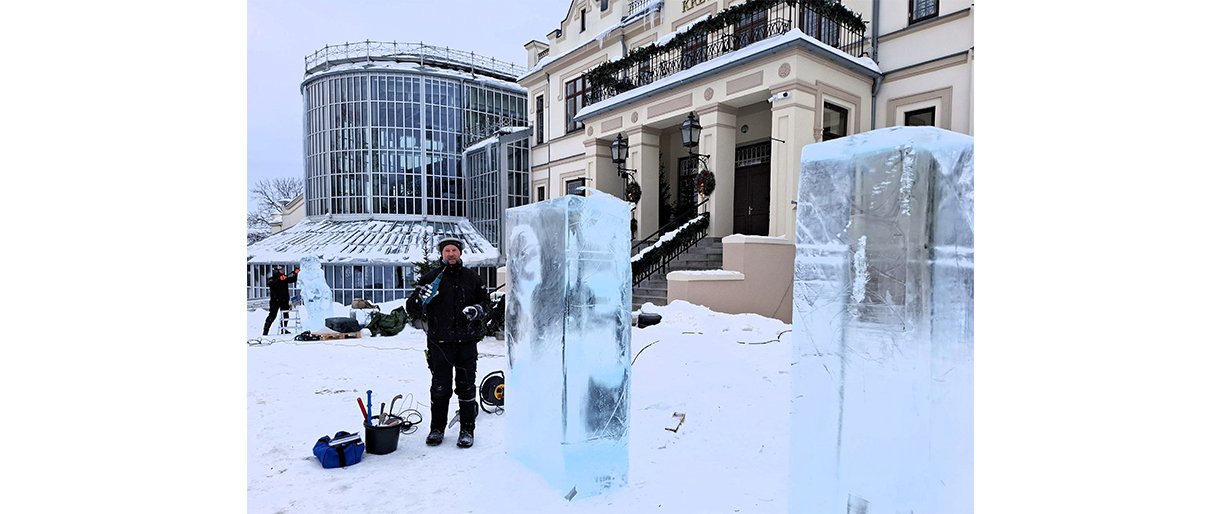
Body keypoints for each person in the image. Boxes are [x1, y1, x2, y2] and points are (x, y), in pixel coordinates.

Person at [406, 237, 491, 448]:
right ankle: (437, 429)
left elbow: (486, 303)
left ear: (460, 253)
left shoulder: (472, 278)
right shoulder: (431, 277)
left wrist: (477, 311)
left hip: (467, 342)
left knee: (466, 387)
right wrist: (419, 299)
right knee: (440, 387)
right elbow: (412, 308)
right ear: (442, 254)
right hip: (439, 342)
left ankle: (467, 430)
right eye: (447, 251)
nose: (450, 254)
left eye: (454, 250)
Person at [263, 264, 299, 336]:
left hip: (284, 300)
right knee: (272, 316)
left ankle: (283, 330)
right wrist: (279, 279)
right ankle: (265, 331)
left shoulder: (284, 278)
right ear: (276, 271)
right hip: (275, 301)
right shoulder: (272, 279)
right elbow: (271, 283)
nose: (283, 271)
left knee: (285, 315)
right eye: (281, 270)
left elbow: (292, 279)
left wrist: (295, 273)